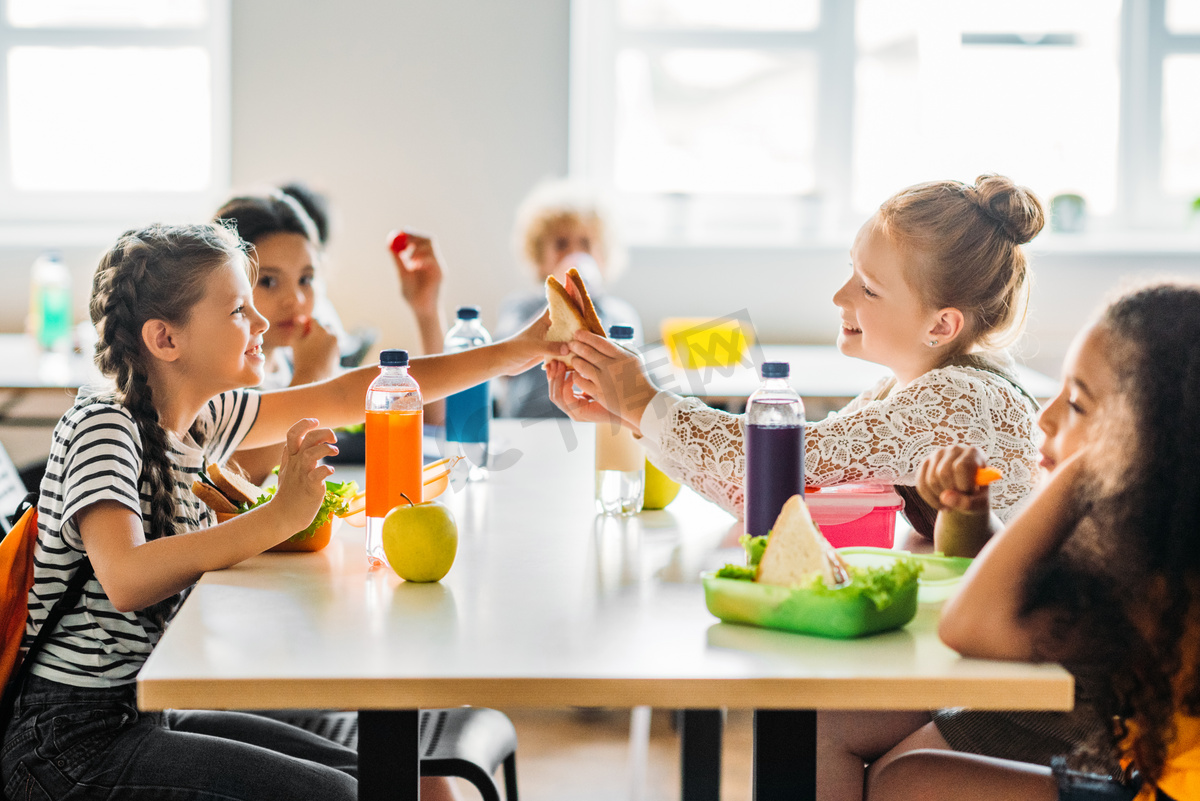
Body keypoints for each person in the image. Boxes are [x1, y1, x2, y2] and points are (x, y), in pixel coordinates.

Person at [0, 222, 556, 801]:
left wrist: (517, 354)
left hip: (139, 718)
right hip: (65, 748)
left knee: (397, 780)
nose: (262, 323)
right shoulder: (102, 426)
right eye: (240, 310)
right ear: (166, 340)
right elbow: (126, 575)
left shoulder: (201, 418)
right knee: (342, 796)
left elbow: (356, 393)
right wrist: (275, 517)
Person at [548, 174, 1044, 533]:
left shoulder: (956, 401)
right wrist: (632, 412)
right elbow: (772, 492)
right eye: (851, 271)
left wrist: (641, 400)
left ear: (941, 325)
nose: (839, 298)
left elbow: (787, 459)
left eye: (868, 289)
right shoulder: (900, 390)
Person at [863, 281, 1200, 801]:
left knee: (909, 782)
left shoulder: (1161, 586)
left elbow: (971, 625)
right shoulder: (1136, 545)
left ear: (1156, 446)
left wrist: (1088, 464)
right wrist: (973, 518)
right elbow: (1024, 596)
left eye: (1080, 406)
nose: (1045, 416)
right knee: (901, 772)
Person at [496, 179, 642, 418]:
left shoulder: (619, 313)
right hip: (527, 424)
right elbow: (502, 362)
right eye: (561, 244)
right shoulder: (521, 307)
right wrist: (559, 304)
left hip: (595, 428)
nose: (574, 254)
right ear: (539, 257)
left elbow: (630, 378)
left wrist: (588, 305)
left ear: (603, 256)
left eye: (585, 244)